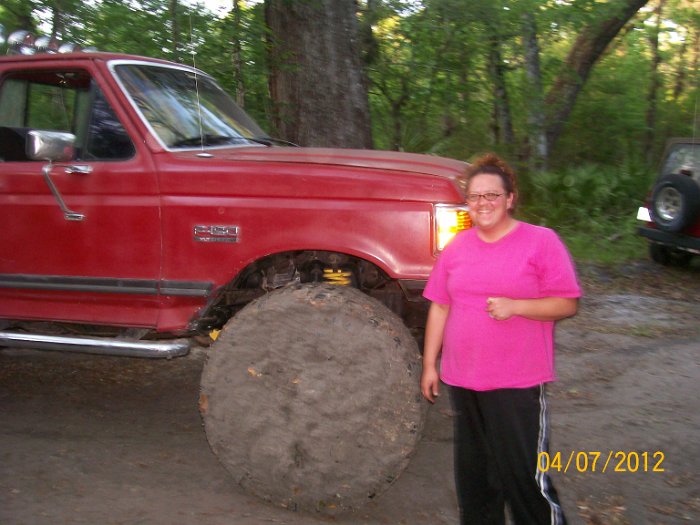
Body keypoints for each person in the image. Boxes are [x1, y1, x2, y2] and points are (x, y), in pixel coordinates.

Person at [421, 152, 581, 525]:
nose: (483, 204)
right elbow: (440, 307)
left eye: (492, 195)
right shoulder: (457, 247)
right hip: (464, 379)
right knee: (476, 481)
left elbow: (567, 303)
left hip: (516, 380)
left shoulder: (541, 241)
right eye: (475, 197)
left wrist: (517, 307)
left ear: (510, 198)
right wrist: (430, 364)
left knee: (524, 478)